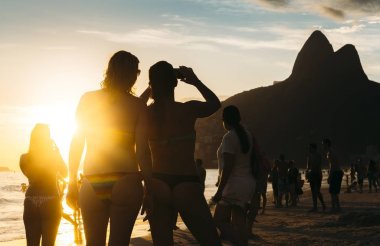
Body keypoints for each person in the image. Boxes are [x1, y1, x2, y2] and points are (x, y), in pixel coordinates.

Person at [66, 51, 153, 245]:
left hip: (92, 180)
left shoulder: (88, 99)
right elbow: (142, 152)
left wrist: (71, 182)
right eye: (136, 72)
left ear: (110, 71)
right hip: (126, 180)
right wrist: (149, 188)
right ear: (132, 74)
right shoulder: (138, 106)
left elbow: (77, 142)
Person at [146, 61, 221, 246]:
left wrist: (152, 86)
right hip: (186, 181)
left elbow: (133, 109)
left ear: (152, 84)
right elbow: (214, 103)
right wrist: (195, 80)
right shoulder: (188, 109)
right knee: (211, 242)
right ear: (175, 83)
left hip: (157, 182)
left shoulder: (145, 113)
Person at [213, 105, 256, 246]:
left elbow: (228, 167)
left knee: (219, 220)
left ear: (224, 120)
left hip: (233, 185)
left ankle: (238, 243)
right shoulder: (247, 134)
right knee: (239, 223)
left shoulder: (229, 137)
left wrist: (219, 190)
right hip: (247, 183)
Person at [20, 123, 68, 246]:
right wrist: (56, 153)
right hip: (51, 200)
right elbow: (65, 172)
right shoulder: (53, 156)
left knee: (31, 244)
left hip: (31, 201)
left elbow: (33, 177)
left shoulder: (25, 158)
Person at [322, 138, 343, 213]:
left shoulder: (330, 152)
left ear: (327, 144)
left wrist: (329, 176)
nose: (323, 145)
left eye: (323, 144)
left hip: (336, 172)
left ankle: (334, 208)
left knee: (333, 192)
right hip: (338, 172)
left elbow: (333, 166)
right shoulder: (331, 151)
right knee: (335, 192)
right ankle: (337, 207)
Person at [306, 143, 326, 212]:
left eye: (310, 148)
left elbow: (317, 165)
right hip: (311, 175)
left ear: (314, 148)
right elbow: (308, 166)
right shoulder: (309, 156)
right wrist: (307, 173)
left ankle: (323, 204)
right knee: (313, 192)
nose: (309, 149)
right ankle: (315, 207)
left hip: (317, 174)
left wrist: (310, 170)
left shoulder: (318, 155)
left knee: (317, 191)